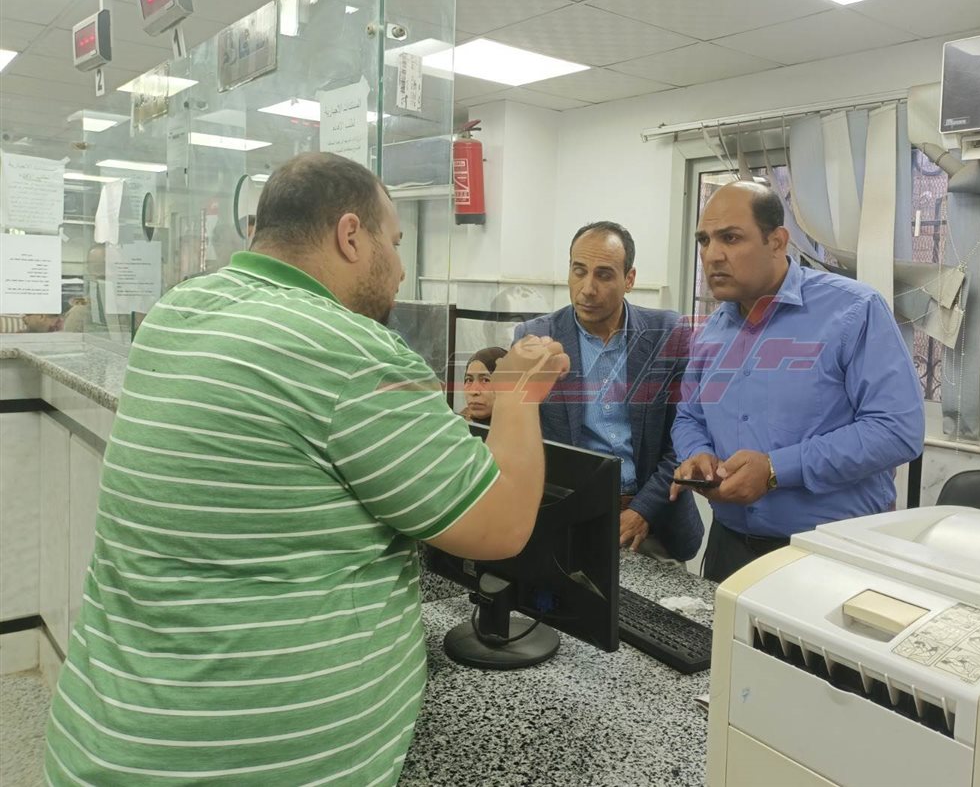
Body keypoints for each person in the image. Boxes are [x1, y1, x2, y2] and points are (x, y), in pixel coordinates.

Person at [43, 152, 569, 785]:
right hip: (248, 762)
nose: (402, 268)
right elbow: (501, 525)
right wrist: (518, 393)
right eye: (395, 243)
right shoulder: (351, 350)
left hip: (110, 733)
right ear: (351, 236)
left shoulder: (178, 310)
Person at [672, 181, 924, 582]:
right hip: (730, 547)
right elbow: (689, 416)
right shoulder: (711, 331)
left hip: (832, 554)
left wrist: (776, 469)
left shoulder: (854, 310)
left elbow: (897, 431)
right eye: (704, 240)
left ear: (777, 241)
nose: (712, 255)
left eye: (730, 238)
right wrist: (698, 454)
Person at [514, 222, 703, 563]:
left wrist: (643, 509)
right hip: (569, 520)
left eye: (603, 275)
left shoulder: (667, 333)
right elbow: (521, 440)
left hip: (655, 521)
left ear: (629, 279)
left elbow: (685, 438)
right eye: (579, 271)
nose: (587, 289)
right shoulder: (536, 338)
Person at [462, 345, 507, 424]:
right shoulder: (456, 426)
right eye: (469, 380)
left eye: (485, 380)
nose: (473, 391)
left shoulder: (524, 428)